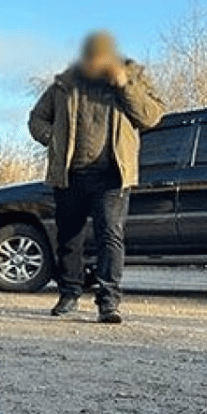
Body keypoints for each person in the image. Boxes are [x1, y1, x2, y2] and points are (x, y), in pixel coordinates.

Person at [29, 31, 164, 324]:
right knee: (69, 237)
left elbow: (152, 117)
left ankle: (109, 302)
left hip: (112, 175)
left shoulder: (133, 77)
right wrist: (52, 137)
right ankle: (69, 293)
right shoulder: (64, 84)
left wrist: (125, 86)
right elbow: (36, 119)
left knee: (110, 237)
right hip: (71, 174)